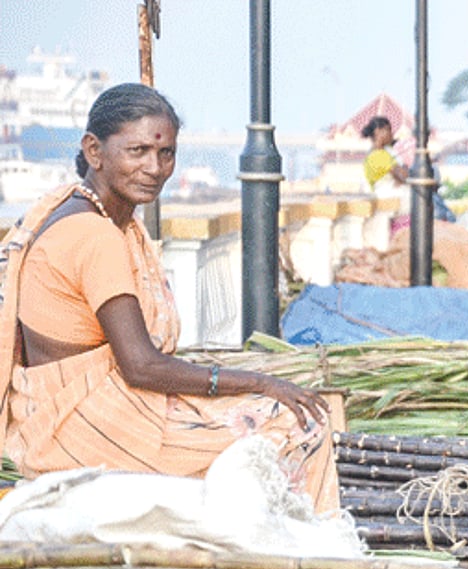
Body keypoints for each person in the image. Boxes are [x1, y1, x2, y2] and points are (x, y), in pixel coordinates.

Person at [0, 83, 339, 513]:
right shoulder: (94, 234)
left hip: (73, 414)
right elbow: (141, 366)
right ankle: (303, 550)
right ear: (94, 150)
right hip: (88, 426)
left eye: (166, 154)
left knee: (262, 411)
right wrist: (261, 382)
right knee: (299, 424)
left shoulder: (84, 213)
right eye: (137, 151)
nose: (154, 168)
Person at [361, 115, 409, 198]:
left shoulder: (375, 152)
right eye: (388, 130)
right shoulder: (378, 155)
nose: (391, 134)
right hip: (387, 196)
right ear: (378, 132)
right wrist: (404, 170)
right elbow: (403, 176)